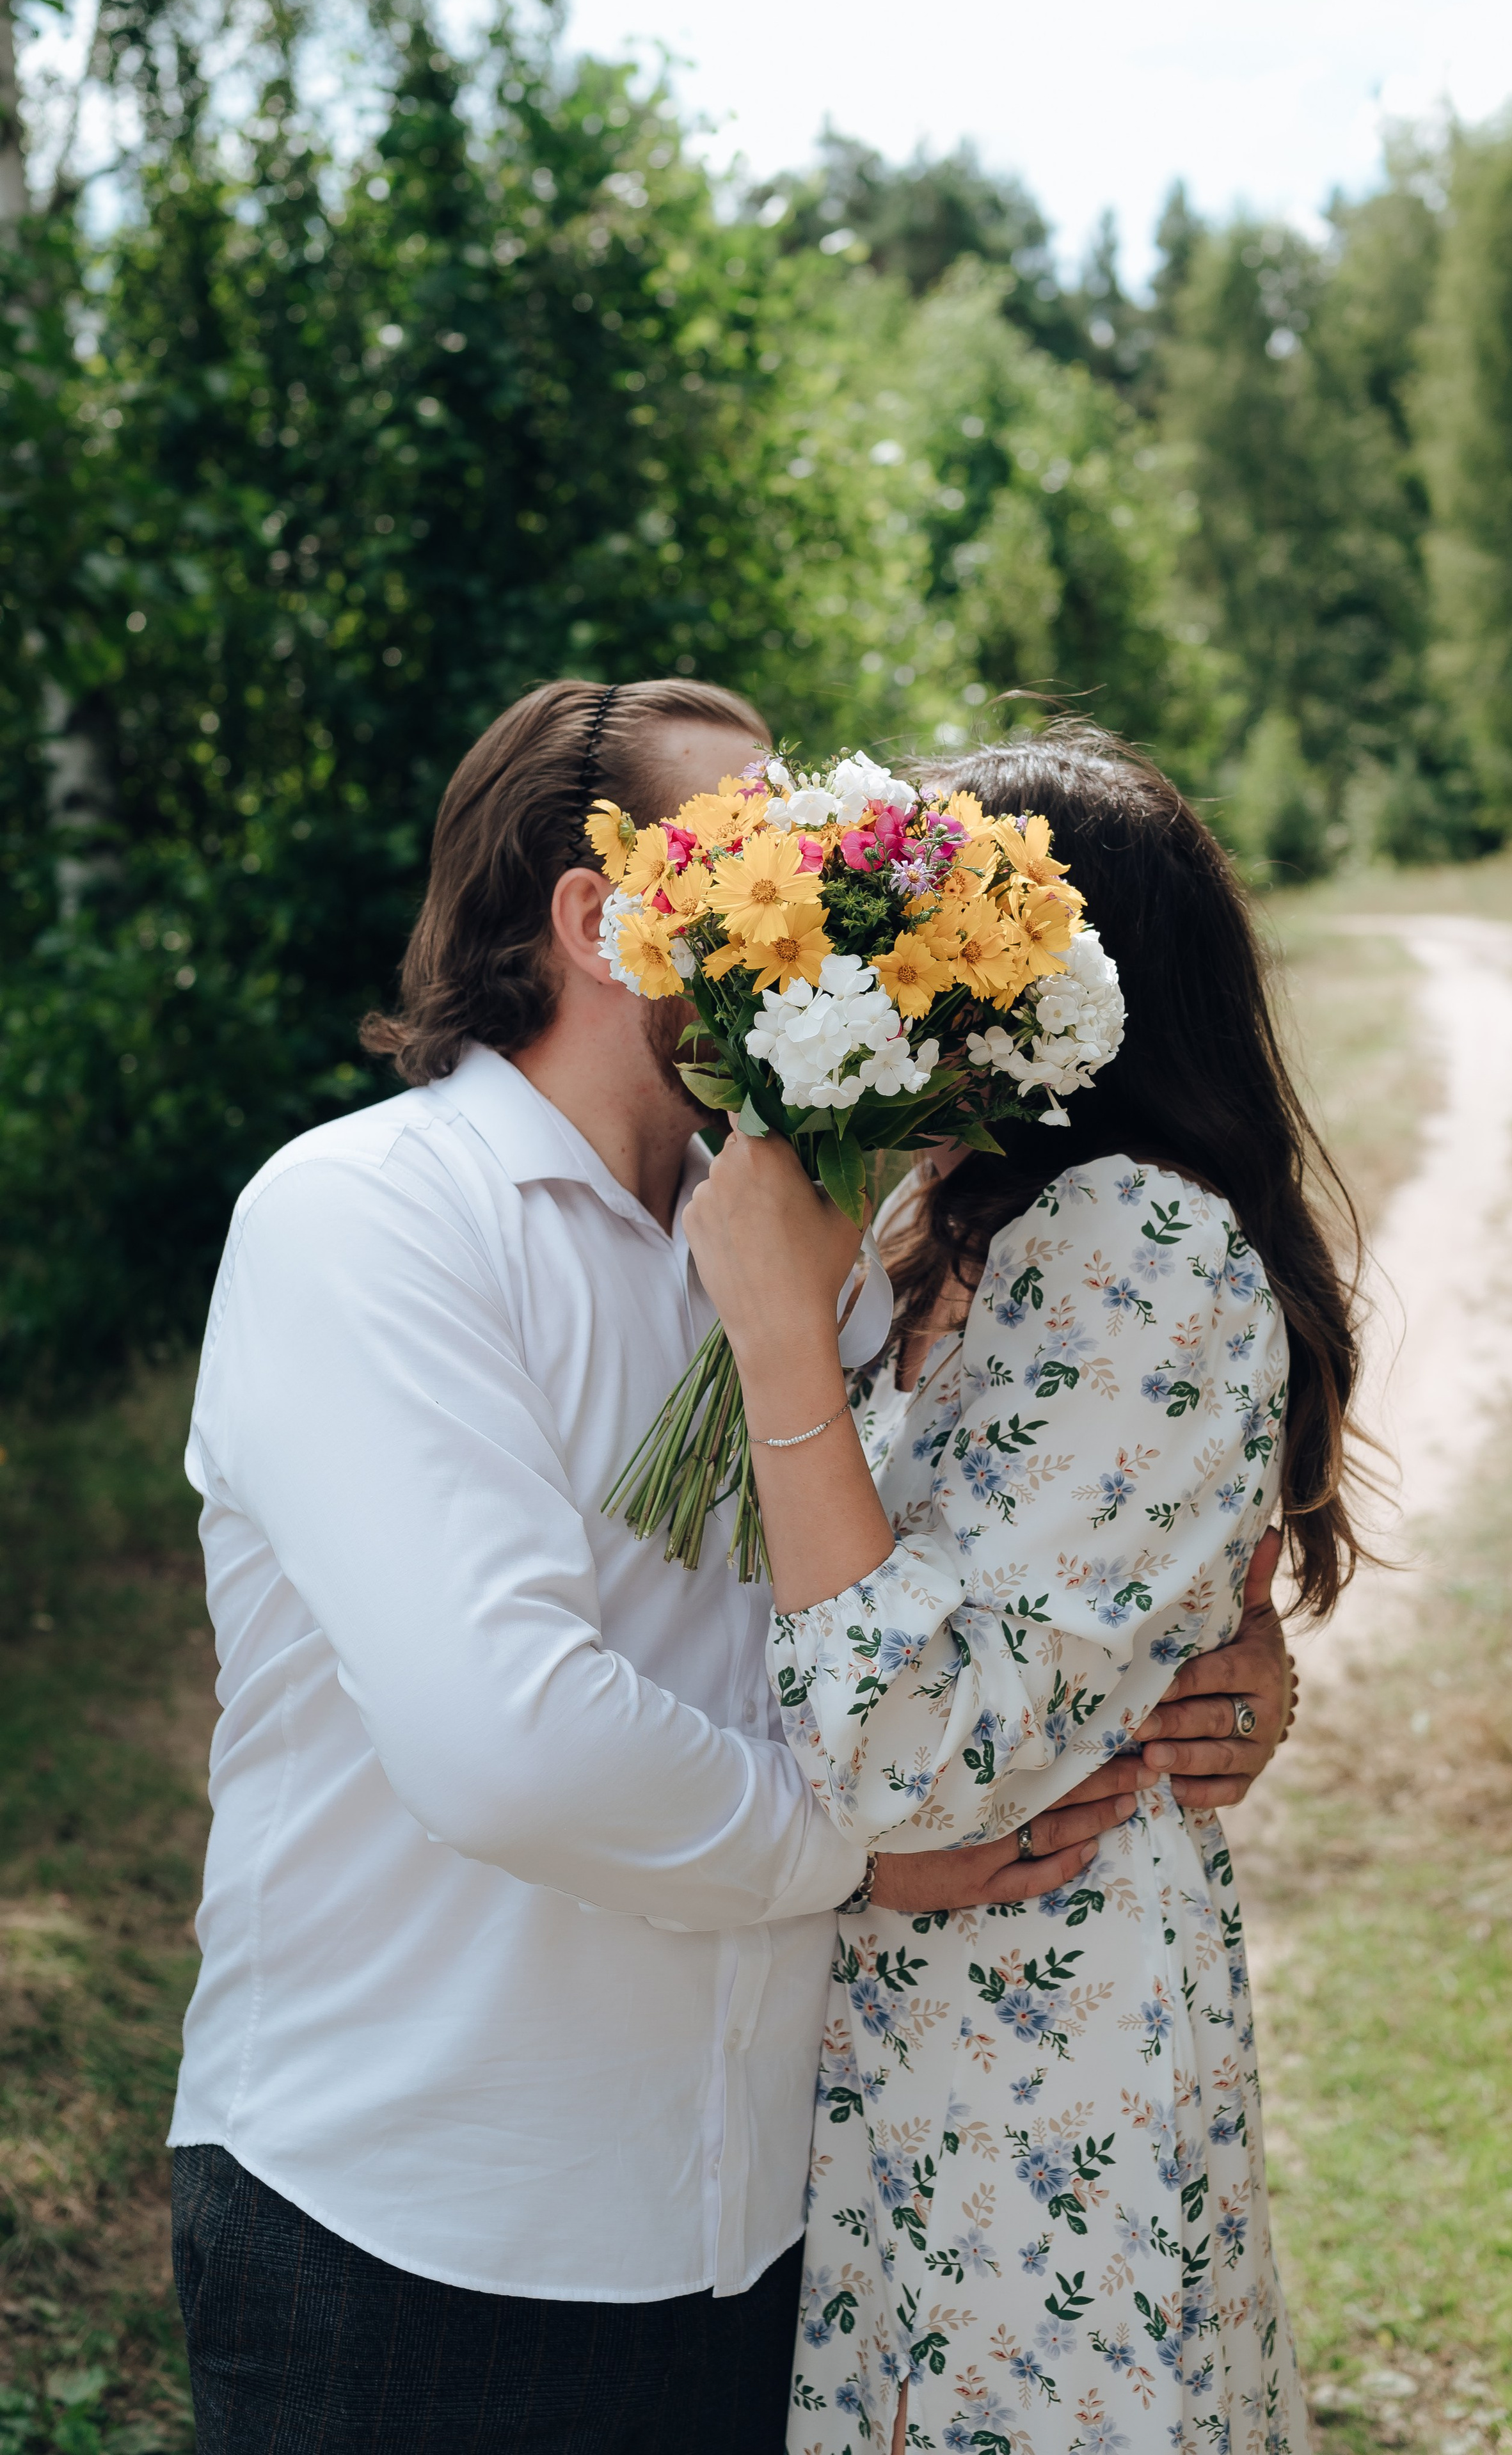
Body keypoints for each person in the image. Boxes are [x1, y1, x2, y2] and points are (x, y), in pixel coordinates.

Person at [170, 681, 1299, 2455]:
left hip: (769, 2232)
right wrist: (866, 1861)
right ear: (595, 919)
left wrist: (1207, 1666)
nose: (824, 898)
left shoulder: (813, 1244)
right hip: (421, 2234)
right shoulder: (371, 1221)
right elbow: (516, 1747)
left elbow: (980, 1568)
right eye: (755, 856)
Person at [682, 724, 1362, 2455]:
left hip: (1035, 2051)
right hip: (914, 2037)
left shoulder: (1136, 1237)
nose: (888, 989)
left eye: (932, 944)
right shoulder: (939, 1224)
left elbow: (916, 1751)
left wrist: (779, 1342)